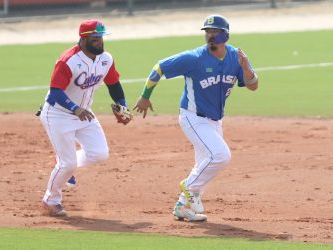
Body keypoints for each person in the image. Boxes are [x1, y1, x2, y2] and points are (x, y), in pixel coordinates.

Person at [134, 14, 258, 221]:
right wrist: (145, 96)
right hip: (193, 118)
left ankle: (183, 207)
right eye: (207, 31)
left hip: (215, 120)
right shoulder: (194, 58)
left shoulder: (236, 57)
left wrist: (246, 69)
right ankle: (189, 187)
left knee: (203, 164)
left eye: (215, 31)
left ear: (225, 34)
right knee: (220, 156)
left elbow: (253, 86)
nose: (210, 35)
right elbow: (160, 67)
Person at [39, 19, 131, 216]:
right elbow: (55, 92)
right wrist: (74, 109)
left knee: (99, 154)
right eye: (95, 38)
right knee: (68, 163)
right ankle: (51, 200)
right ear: (83, 38)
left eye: (101, 37)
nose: (100, 41)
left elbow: (113, 84)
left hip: (84, 113)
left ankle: (63, 163)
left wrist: (122, 105)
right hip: (58, 114)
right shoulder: (68, 60)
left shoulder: (106, 59)